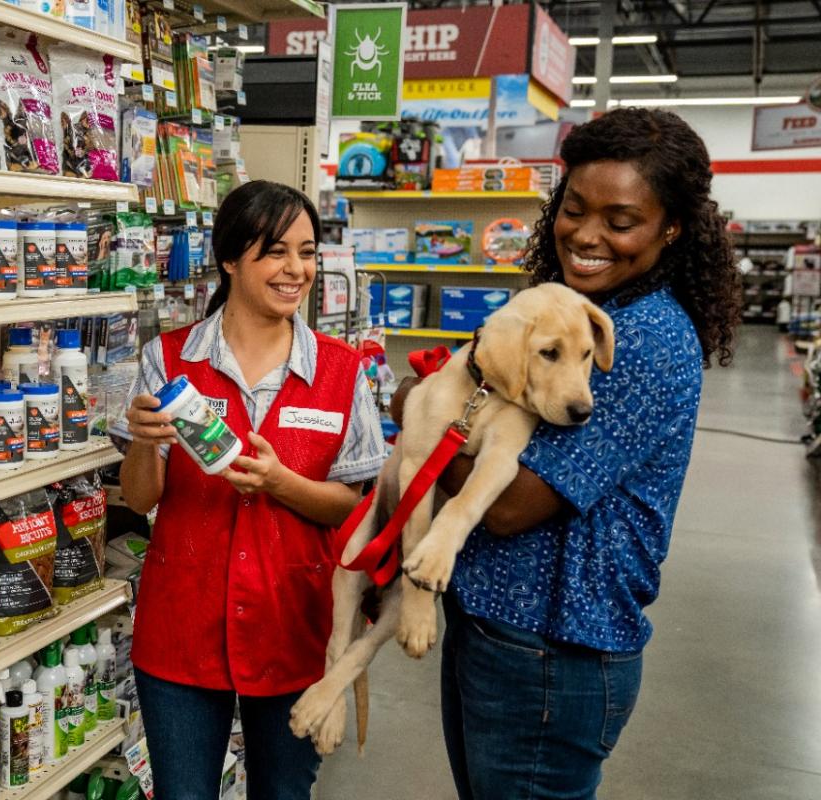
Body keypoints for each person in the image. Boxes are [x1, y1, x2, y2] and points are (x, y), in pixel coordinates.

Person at [391, 108, 740, 799]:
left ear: (670, 227)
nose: (586, 235)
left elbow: (514, 505)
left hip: (550, 652)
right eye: (574, 208)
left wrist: (419, 408)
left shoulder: (640, 340)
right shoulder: (573, 308)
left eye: (620, 221)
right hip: (498, 631)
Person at [114, 180, 387, 799]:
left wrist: (280, 482)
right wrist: (142, 440)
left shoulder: (341, 371)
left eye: (308, 252)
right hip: (182, 626)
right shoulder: (170, 358)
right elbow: (139, 499)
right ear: (230, 259)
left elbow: (354, 506)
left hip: (295, 626)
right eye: (276, 252)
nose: (297, 270)